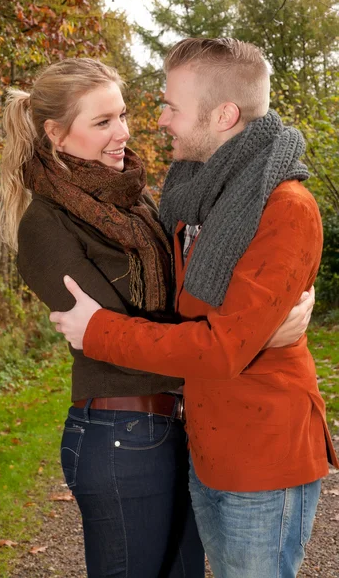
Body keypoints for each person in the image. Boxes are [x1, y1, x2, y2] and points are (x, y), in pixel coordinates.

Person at [49, 39, 339, 578]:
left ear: (224, 114)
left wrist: (99, 332)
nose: (159, 121)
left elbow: (222, 345)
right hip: (205, 447)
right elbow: (201, 321)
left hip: (263, 456)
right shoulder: (193, 195)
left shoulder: (286, 207)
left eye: (171, 107)